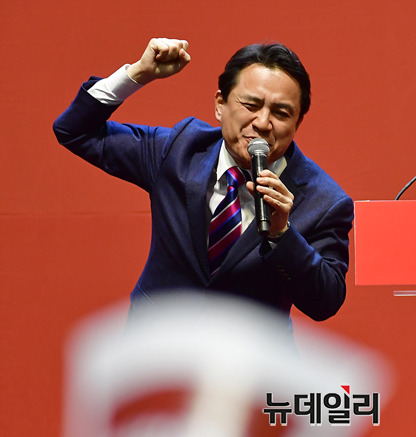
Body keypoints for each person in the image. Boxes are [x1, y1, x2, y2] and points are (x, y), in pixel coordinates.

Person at [53, 38, 354, 325]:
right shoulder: (178, 150)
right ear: (220, 104)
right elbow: (74, 130)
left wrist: (282, 235)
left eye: (281, 113)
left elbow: (325, 302)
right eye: (251, 105)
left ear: (297, 122)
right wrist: (138, 74)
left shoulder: (324, 201)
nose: (263, 123)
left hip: (251, 359)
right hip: (154, 349)